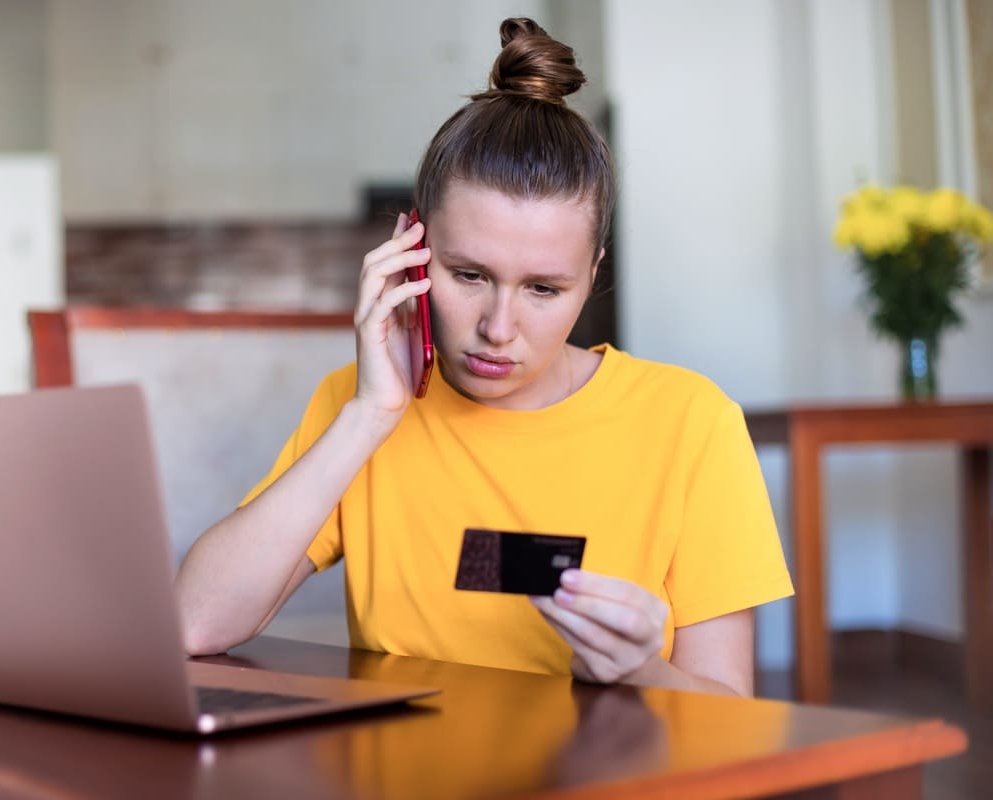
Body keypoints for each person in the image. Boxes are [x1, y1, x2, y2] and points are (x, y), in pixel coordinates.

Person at [175, 17, 793, 697]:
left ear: (593, 272)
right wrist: (369, 416)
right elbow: (193, 624)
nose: (500, 328)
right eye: (468, 274)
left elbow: (732, 713)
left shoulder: (692, 423)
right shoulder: (357, 408)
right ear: (413, 249)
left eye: (544, 288)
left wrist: (639, 671)